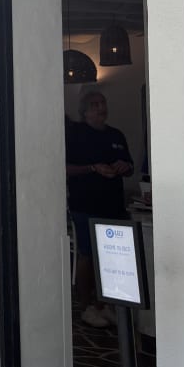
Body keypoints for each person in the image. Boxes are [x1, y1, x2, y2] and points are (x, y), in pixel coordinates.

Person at [65, 91, 134, 328]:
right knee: (88, 254)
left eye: (103, 103)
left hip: (113, 206)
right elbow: (64, 168)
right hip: (85, 205)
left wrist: (124, 166)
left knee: (114, 258)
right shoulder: (75, 135)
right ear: (84, 111)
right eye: (95, 105)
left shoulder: (116, 135)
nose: (100, 108)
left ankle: (108, 305)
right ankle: (87, 307)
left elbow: (130, 166)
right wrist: (93, 168)